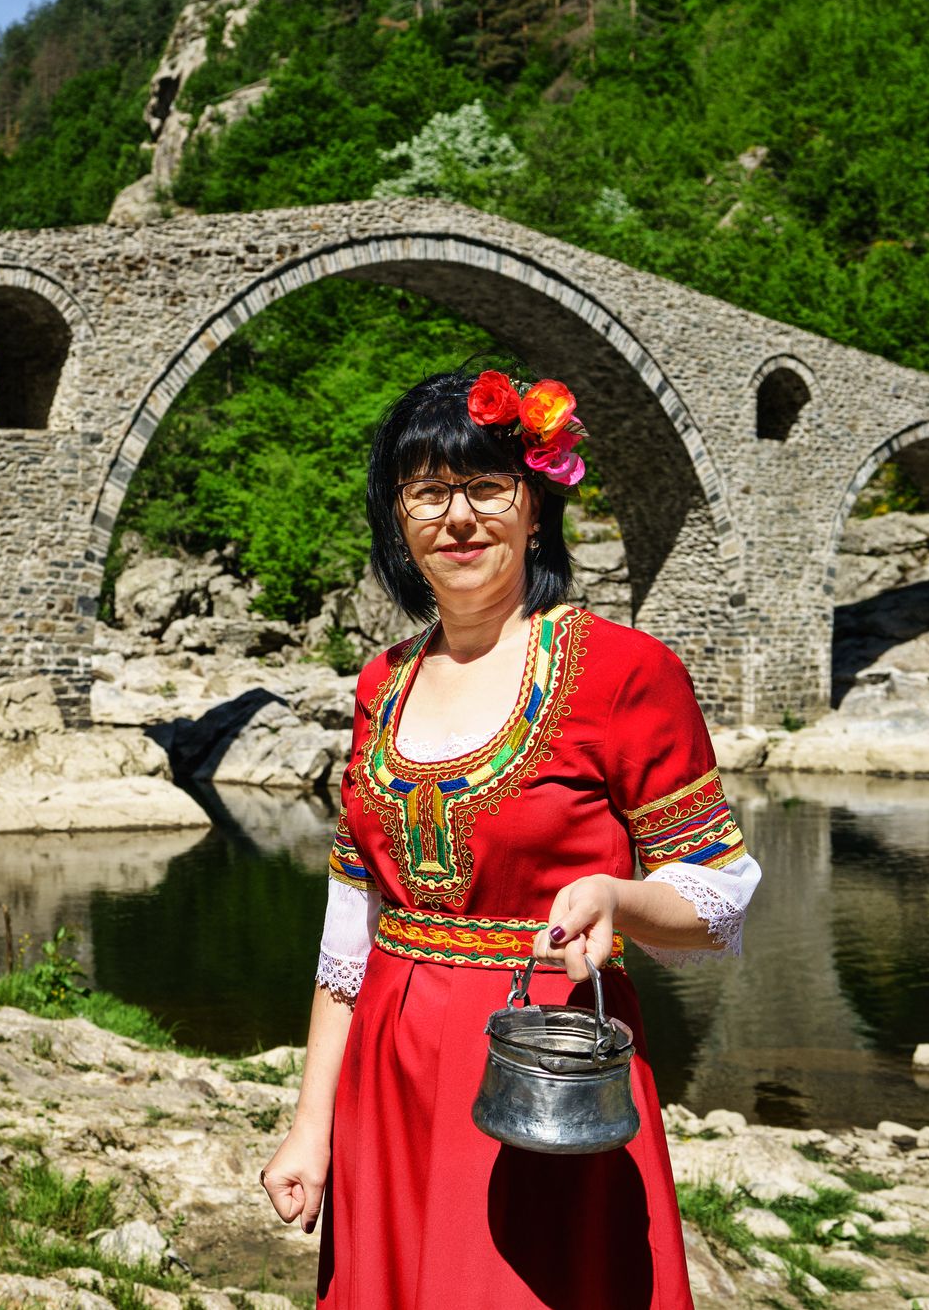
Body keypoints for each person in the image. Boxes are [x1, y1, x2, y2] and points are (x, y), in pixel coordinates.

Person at [258, 369, 763, 1309]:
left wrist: (621, 899)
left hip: (546, 1069)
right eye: (428, 492)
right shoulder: (382, 683)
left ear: (537, 508)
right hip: (390, 1079)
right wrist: (312, 1125)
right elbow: (349, 931)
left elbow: (723, 895)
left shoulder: (623, 672)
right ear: (398, 520)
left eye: (487, 487)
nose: (459, 517)